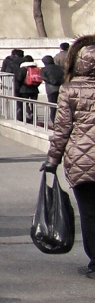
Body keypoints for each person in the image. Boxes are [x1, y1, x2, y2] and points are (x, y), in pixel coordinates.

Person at [42, 36, 95, 276]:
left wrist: (52, 160)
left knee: (89, 213)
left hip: (81, 161)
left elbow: (62, 128)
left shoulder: (69, 89)